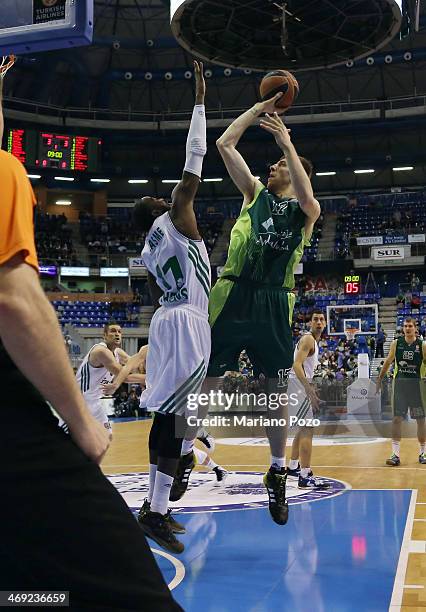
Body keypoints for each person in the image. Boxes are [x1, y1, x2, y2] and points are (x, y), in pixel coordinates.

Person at [0, 149, 181, 610]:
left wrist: (141, 373)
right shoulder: (101, 349)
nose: (117, 331)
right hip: (57, 417)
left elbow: (128, 374)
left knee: (29, 590)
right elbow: (15, 303)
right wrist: (82, 421)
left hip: (89, 406)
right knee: (130, 586)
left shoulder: (115, 350)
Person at [207, 93, 320, 525]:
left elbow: (310, 202)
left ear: (296, 174)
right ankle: (184, 451)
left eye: (279, 166)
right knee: (211, 377)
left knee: (273, 390)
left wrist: (288, 145)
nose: (270, 167)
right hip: (234, 293)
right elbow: (224, 145)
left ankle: (276, 470)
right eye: (273, 164)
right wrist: (258, 112)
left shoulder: (305, 211)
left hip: (274, 299)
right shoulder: (255, 193)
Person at [129, 61, 210, 554]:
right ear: (162, 206)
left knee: (174, 416)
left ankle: (159, 502)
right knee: (177, 419)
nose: (170, 194)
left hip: (166, 321)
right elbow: (195, 155)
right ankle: (159, 506)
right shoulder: (178, 214)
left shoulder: (147, 247)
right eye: (161, 196)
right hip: (186, 325)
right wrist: (199, 99)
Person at [59, 321, 144, 439]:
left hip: (94, 402)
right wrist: (150, 378)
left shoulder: (118, 352)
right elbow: (125, 377)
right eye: (113, 331)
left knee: (106, 437)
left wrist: (143, 360)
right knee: (63, 440)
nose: (117, 334)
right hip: (79, 402)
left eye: (119, 332)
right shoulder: (101, 351)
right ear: (104, 335)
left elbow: (132, 364)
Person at [287, 311, 330, 489]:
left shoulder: (313, 341)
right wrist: (308, 388)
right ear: (310, 323)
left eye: (321, 319)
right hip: (297, 385)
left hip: (295, 385)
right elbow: (296, 365)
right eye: (315, 319)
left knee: (303, 428)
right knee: (307, 429)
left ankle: (293, 467)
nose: (318, 322)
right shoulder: (308, 339)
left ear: (325, 323)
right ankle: (305, 476)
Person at [376, 317, 426, 466]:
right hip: (400, 386)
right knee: (396, 419)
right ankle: (395, 454)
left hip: (417, 386)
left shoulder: (422, 345)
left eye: (410, 326)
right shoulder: (396, 343)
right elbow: (387, 362)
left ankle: (423, 452)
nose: (407, 328)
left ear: (415, 328)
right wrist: (379, 380)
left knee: (420, 420)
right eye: (405, 326)